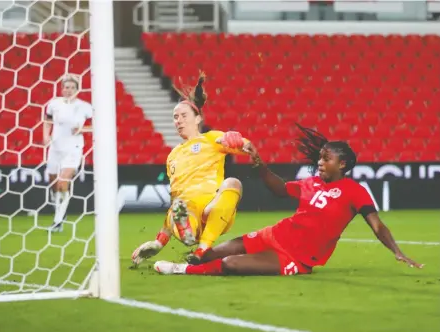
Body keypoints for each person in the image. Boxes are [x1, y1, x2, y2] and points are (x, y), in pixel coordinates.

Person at [153, 124, 423, 275]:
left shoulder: (355, 191)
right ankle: (190, 252)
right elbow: (280, 189)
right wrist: (259, 166)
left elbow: (377, 225)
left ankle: (180, 270)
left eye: (325, 159)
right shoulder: (311, 183)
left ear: (342, 164)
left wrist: (396, 250)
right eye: (319, 157)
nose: (319, 162)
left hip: (297, 257)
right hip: (274, 234)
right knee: (210, 253)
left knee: (230, 264)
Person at [131, 73, 252, 266]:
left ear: (198, 119)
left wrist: (238, 141)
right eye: (175, 117)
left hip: (213, 209)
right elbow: (174, 203)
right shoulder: (173, 156)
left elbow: (248, 148)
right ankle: (189, 235)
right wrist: (158, 242)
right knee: (178, 209)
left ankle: (201, 247)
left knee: (233, 183)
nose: (178, 120)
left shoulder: (212, 138)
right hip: (188, 212)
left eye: (183, 116)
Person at [43, 74, 92, 232]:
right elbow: (47, 120)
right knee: (52, 182)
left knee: (62, 182)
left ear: (77, 90)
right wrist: (45, 135)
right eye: (66, 87)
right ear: (62, 89)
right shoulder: (54, 104)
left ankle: (58, 221)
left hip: (73, 149)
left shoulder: (85, 106)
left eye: (72, 87)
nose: (69, 90)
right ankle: (58, 204)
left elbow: (98, 125)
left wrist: (81, 129)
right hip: (55, 148)